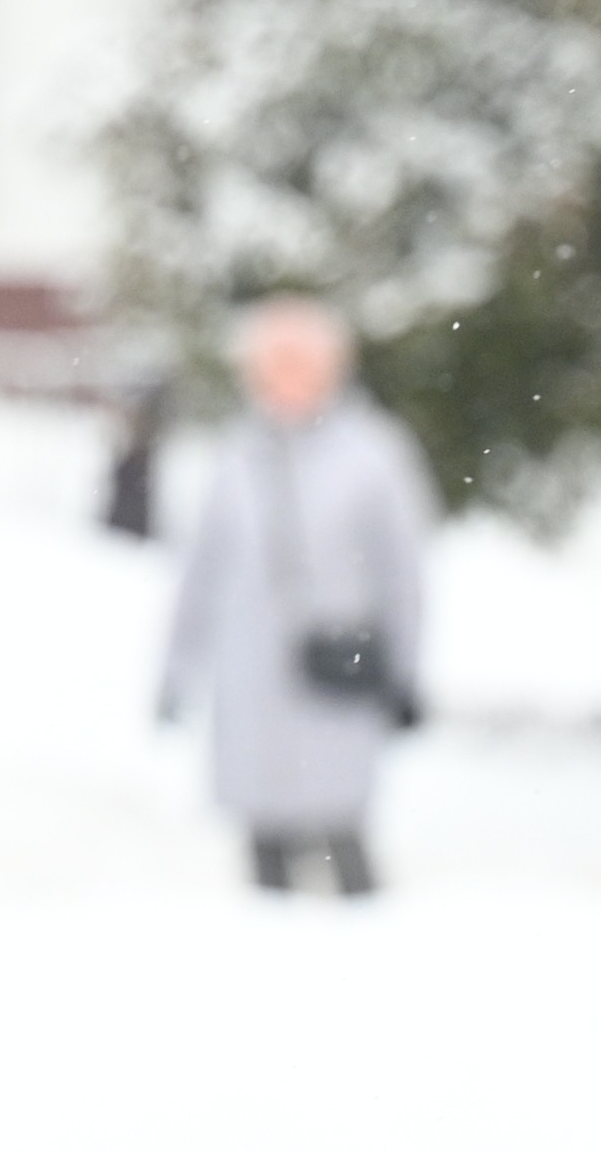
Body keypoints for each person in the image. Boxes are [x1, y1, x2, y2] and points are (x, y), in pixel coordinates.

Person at [161, 294, 437, 895]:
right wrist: (177, 668)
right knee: (264, 832)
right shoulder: (236, 456)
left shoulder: (374, 455)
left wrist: (407, 671)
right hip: (251, 674)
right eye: (274, 363)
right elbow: (201, 572)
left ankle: (366, 930)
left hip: (337, 664)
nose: (288, 378)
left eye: (302, 362)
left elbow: (403, 574)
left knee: (341, 823)